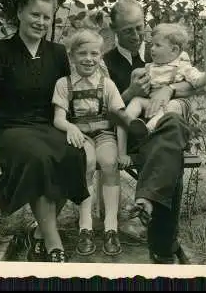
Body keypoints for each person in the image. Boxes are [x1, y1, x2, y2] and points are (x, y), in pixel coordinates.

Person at [0, 0, 89, 263]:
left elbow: (63, 100)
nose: (40, 22)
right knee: (39, 159)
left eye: (46, 17)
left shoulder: (58, 53)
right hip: (12, 130)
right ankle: (55, 246)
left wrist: (72, 127)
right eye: (34, 15)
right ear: (19, 12)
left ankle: (40, 232)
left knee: (76, 155)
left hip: (48, 126)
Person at [103, 0, 206, 264]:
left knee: (172, 131)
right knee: (170, 152)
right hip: (130, 133)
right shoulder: (105, 63)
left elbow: (191, 83)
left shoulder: (162, 47)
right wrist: (130, 92)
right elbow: (104, 110)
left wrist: (169, 89)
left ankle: (149, 212)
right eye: (127, 30)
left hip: (164, 125)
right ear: (113, 29)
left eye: (139, 27)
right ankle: (165, 246)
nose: (136, 35)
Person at [51, 29, 146, 257]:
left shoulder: (108, 84)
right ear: (72, 56)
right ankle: (86, 227)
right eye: (82, 53)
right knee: (87, 162)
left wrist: (125, 146)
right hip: (80, 136)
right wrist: (71, 127)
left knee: (109, 162)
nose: (89, 58)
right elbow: (58, 119)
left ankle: (111, 227)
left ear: (100, 56)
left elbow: (119, 118)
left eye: (94, 53)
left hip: (104, 134)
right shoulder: (64, 84)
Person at [117, 23, 206, 162]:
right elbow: (140, 86)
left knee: (173, 106)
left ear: (174, 50)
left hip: (171, 105)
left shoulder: (182, 67)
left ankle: (149, 129)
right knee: (135, 102)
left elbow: (198, 81)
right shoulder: (150, 67)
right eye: (152, 45)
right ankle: (130, 125)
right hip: (152, 103)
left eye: (157, 45)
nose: (152, 49)